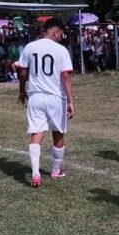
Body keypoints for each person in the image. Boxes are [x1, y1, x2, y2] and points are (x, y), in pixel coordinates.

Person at [16, 18, 75, 187]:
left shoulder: (30, 47)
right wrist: (71, 100)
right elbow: (65, 75)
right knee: (58, 132)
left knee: (36, 132)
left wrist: (22, 90)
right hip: (56, 97)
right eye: (60, 34)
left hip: (35, 96)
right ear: (55, 32)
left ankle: (35, 172)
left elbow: (22, 72)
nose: (60, 37)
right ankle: (56, 171)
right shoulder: (61, 50)